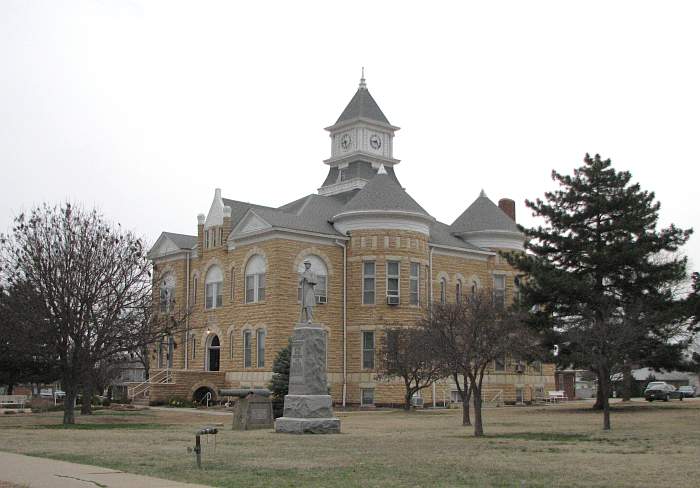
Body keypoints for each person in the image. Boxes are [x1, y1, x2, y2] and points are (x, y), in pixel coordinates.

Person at [299, 259, 317, 323]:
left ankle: (310, 319)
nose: (306, 265)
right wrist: (301, 279)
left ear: (309, 265)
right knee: (305, 306)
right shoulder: (303, 273)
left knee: (309, 305)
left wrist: (307, 278)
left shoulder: (312, 273)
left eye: (307, 264)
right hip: (304, 292)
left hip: (310, 290)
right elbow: (299, 282)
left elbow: (315, 281)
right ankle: (306, 319)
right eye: (305, 264)